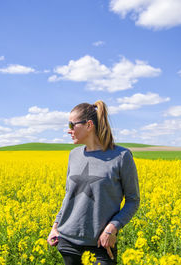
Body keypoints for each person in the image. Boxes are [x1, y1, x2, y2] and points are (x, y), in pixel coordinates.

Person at [47, 100, 140, 265]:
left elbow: (133, 200)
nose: (68, 130)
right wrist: (55, 226)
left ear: (89, 125)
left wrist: (112, 228)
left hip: (100, 244)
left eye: (72, 124)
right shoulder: (74, 155)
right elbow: (69, 195)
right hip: (67, 240)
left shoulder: (122, 156)